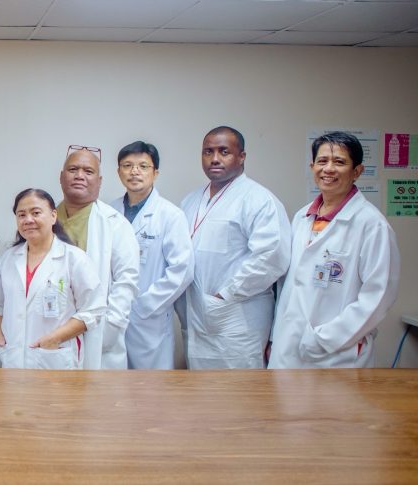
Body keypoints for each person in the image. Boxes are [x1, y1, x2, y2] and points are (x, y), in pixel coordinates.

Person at [269, 132, 399, 368]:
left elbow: (378, 297)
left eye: (339, 162)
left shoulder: (371, 224)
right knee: (284, 405)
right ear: (312, 167)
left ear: (357, 171)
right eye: (322, 161)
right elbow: (288, 286)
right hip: (287, 347)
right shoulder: (302, 216)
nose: (328, 169)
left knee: (334, 405)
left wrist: (325, 339)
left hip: (336, 353)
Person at [178, 126, 291, 369]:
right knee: (200, 396)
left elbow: (271, 258)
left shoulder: (259, 200)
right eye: (208, 152)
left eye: (224, 151)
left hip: (236, 318)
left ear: (242, 156)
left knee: (240, 396)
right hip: (197, 316)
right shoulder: (190, 201)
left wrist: (225, 295)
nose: (215, 158)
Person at [0, 189, 104, 369]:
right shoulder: (9, 259)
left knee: (53, 398)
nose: (28, 220)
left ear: (53, 216)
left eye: (36, 213)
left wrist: (54, 338)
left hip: (55, 357)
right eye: (21, 215)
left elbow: (93, 310)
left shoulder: (74, 259)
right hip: (11, 356)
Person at [108, 141, 193, 369]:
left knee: (150, 391)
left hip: (148, 317)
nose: (134, 171)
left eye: (143, 166)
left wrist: (145, 305)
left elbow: (182, 271)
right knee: (112, 387)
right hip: (113, 313)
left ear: (155, 173)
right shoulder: (108, 212)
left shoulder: (170, 215)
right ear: (118, 172)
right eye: (127, 165)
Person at [57, 145, 139, 369]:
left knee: (96, 401)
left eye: (88, 171)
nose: (80, 176)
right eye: (73, 169)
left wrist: (110, 328)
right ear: (61, 177)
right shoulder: (44, 219)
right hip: (51, 330)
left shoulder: (115, 224)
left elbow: (126, 282)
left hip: (97, 333)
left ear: (100, 181)